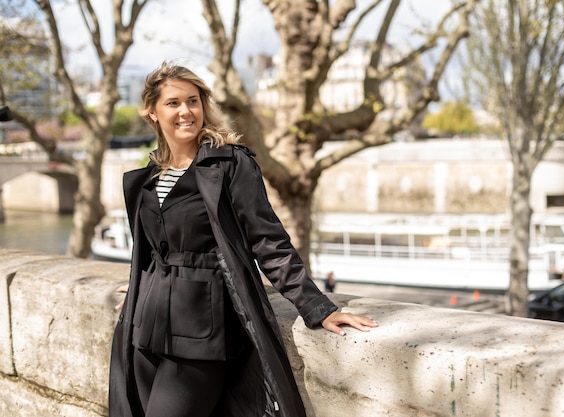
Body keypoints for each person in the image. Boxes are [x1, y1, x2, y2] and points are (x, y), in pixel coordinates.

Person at [108, 61, 378, 417]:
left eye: (193, 100)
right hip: (144, 326)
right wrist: (141, 282)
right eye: (173, 103)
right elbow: (153, 249)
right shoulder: (147, 178)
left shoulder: (229, 164)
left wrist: (318, 308)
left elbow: (268, 241)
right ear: (152, 112)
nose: (186, 111)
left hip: (201, 333)